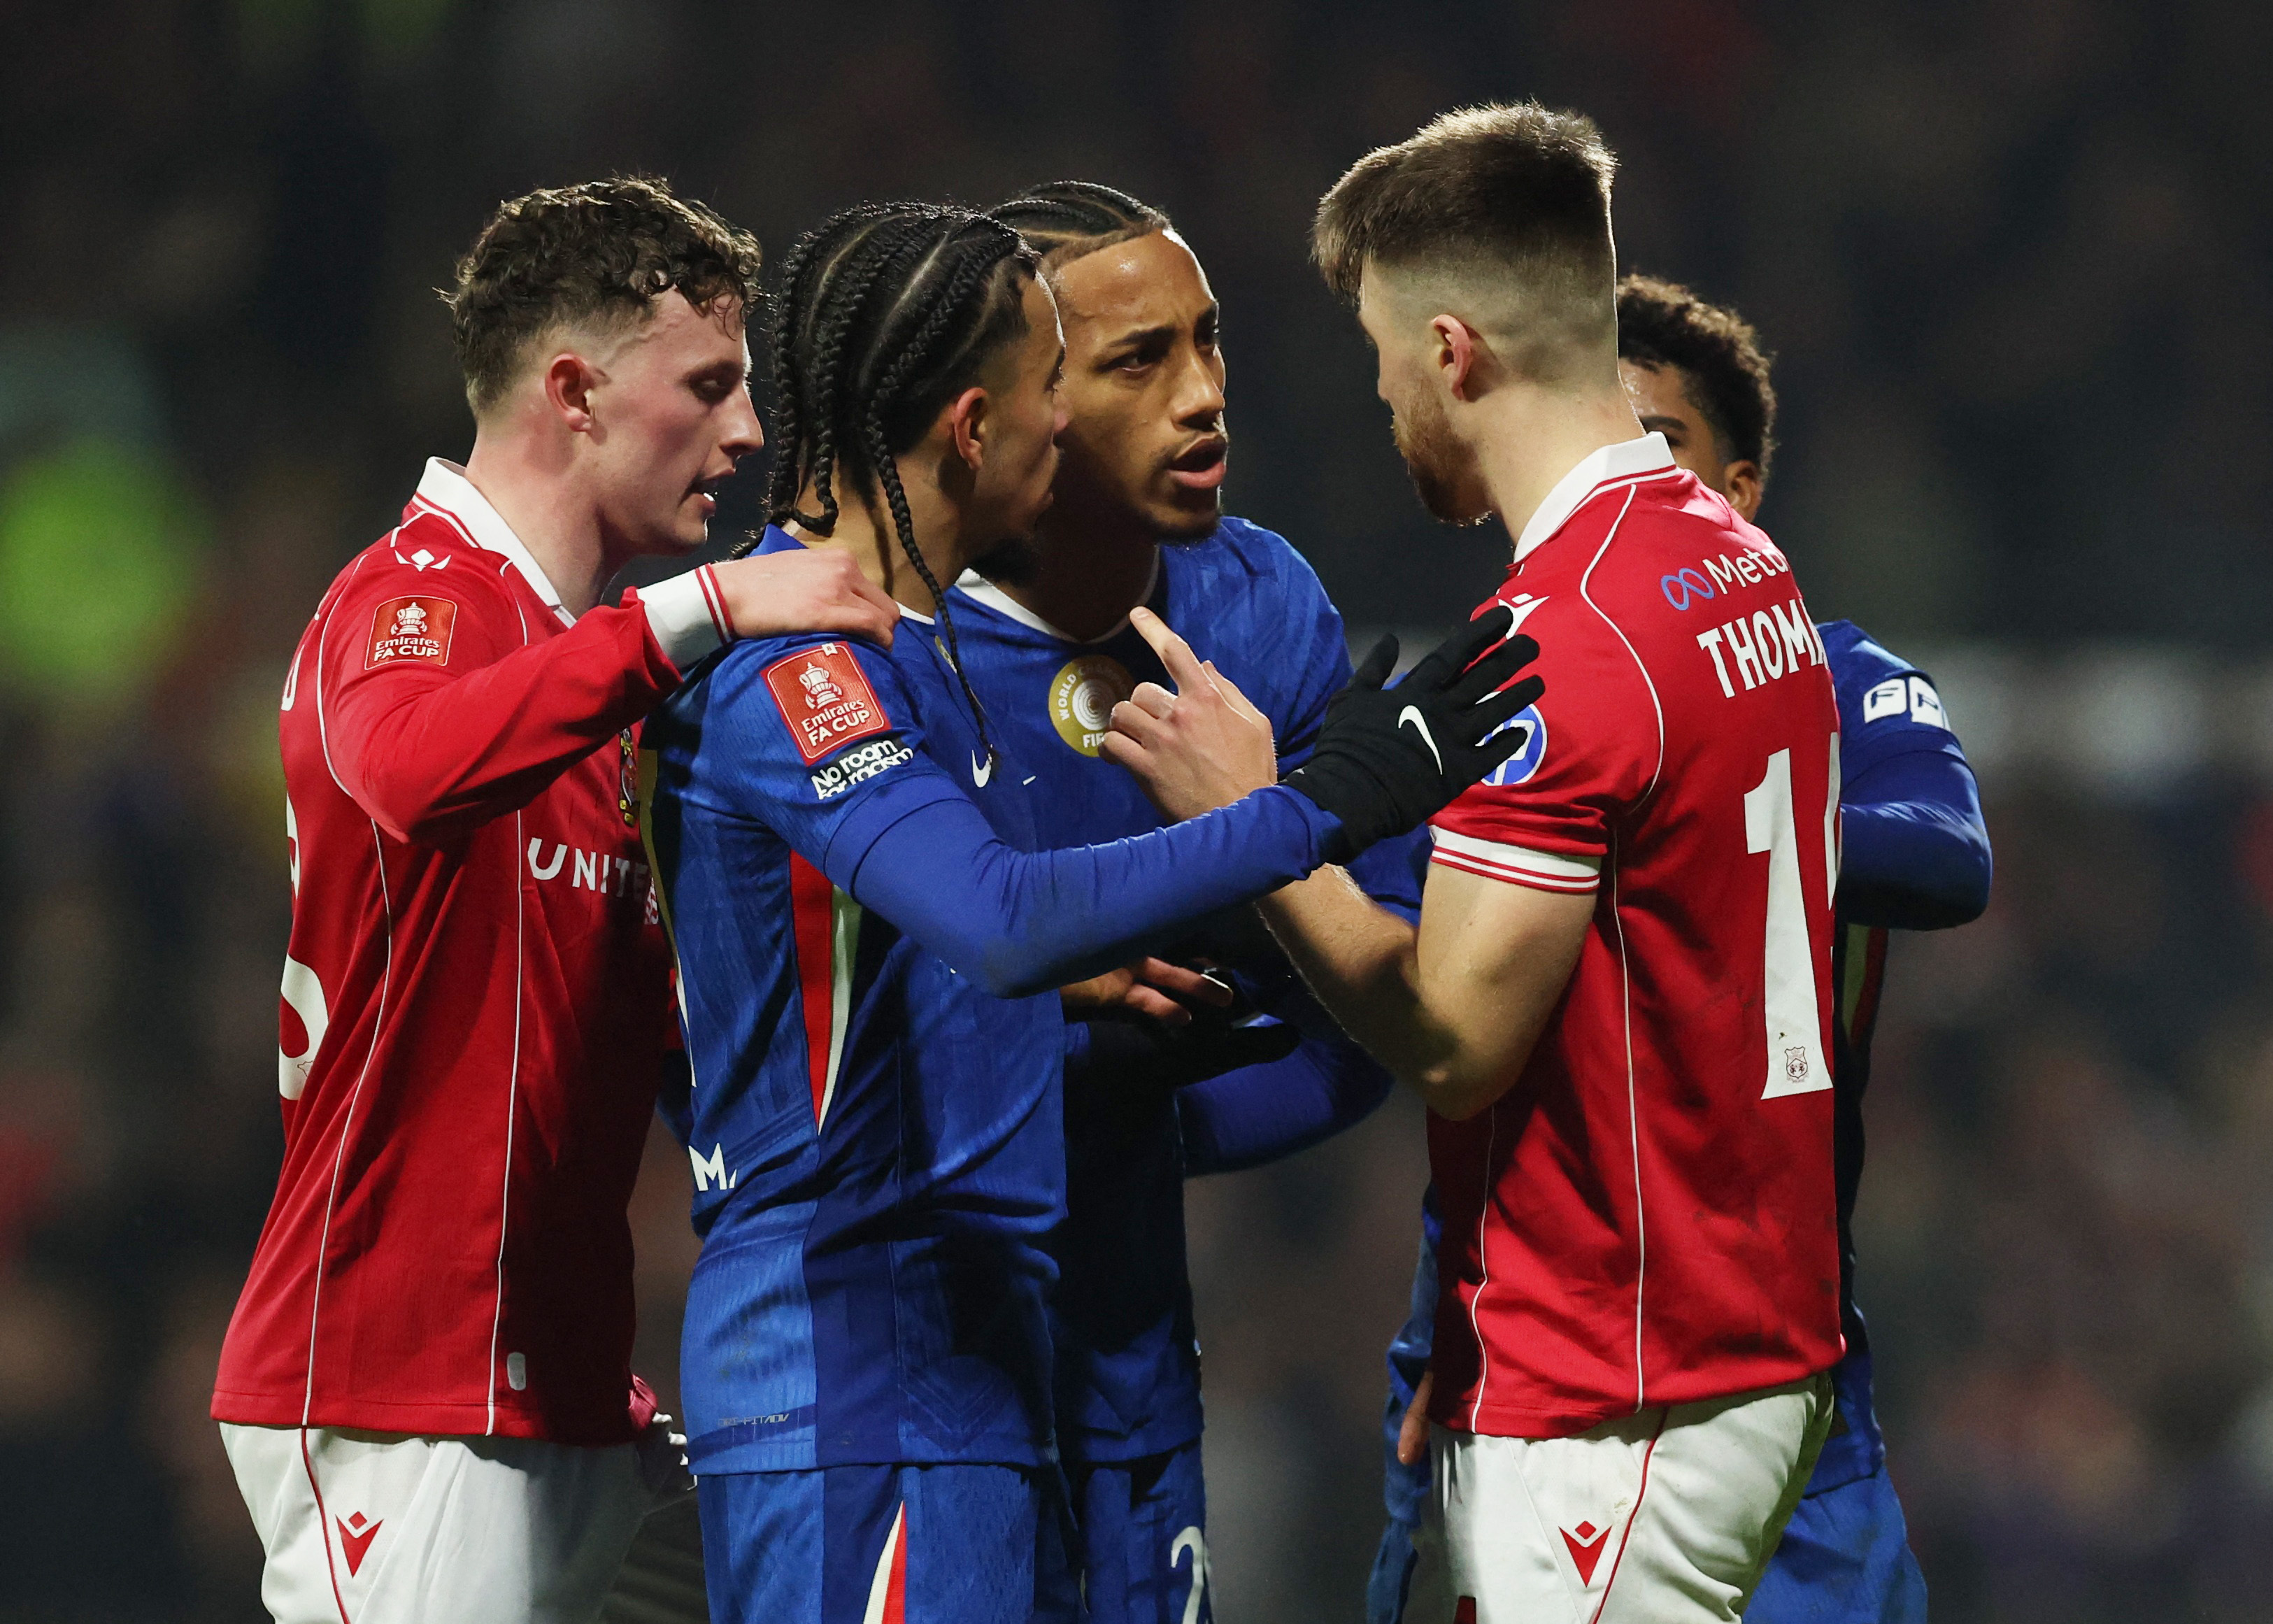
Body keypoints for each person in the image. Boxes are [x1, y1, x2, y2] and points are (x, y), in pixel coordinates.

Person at [639, 201, 1542, 1624]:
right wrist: (1308, 811)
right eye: (1062, 379)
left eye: (1204, 343)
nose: (1079, 419)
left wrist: (1103, 1058)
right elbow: (994, 918)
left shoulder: (941, 641)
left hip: (1026, 1367)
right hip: (860, 1363)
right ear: (972, 421)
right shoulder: (795, 662)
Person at [1105, 104, 1851, 1621]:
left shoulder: (1562, 640)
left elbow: (1453, 1039)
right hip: (1731, 1348)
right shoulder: (1732, 558)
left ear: (1451, 352)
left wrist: (1256, 821)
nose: (1381, 397)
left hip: (1615, 1392)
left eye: (1381, 355)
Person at [210, 176, 899, 1624]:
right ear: (574, 393)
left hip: (566, 1398)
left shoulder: (591, 681)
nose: (748, 432)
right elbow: (408, 770)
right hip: (406, 1390)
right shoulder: (418, 596)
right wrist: (705, 610)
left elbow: (662, 1045)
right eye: (706, 386)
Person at [1366, 274, 1993, 1623]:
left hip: (1773, 1344)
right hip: (1551, 1356)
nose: (1617, 475)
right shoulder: (1524, 689)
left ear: (1739, 490)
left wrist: (1702, 810)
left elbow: (1949, 855)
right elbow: (1451, 1024)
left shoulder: (1835, 673)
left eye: (1654, 442)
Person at [952, 181, 1419, 1624]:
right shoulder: (861, 635)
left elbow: (1370, 1009)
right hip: (900, 1362)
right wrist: (1059, 1067)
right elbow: (750, 1050)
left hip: (1132, 1358)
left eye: (1208, 341)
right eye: (1139, 359)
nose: (1205, 392)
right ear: (1009, 404)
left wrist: (1144, 1122)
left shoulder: (1259, 605)